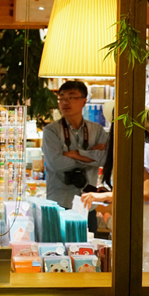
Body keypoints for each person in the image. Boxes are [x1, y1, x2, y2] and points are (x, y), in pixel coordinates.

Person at [81, 113, 149, 272]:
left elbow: (144, 193)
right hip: (134, 215)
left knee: (141, 268)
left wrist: (107, 195)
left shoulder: (143, 149)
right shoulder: (133, 149)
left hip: (142, 217)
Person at [42, 81, 108, 211]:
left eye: (71, 97)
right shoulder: (51, 130)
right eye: (61, 98)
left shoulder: (97, 130)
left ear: (84, 101)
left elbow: (104, 159)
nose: (65, 102)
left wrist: (76, 154)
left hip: (88, 205)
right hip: (59, 204)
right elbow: (56, 163)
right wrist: (90, 157)